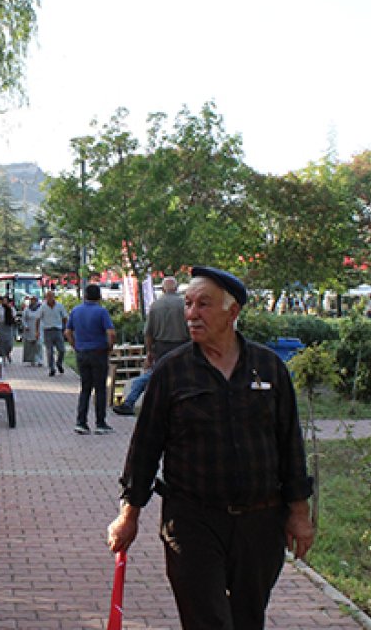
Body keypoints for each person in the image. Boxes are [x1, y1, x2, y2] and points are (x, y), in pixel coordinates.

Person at [106, 266, 315, 630]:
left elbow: (289, 444)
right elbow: (145, 448)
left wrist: (299, 513)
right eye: (188, 304)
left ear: (232, 312)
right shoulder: (172, 372)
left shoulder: (268, 368)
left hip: (260, 522)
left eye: (203, 305)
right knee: (207, 621)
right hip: (192, 521)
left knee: (248, 620)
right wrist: (130, 513)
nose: (191, 314)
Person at [115, 277, 190, 416]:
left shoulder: (156, 306)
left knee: (154, 375)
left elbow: (148, 333)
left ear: (163, 289)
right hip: (183, 345)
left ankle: (129, 402)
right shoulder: (185, 305)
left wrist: (149, 352)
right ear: (176, 288)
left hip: (161, 346)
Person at [65, 284, 116, 434]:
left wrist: (76, 345)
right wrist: (109, 347)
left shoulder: (76, 311)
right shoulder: (101, 312)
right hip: (99, 352)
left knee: (85, 388)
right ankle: (100, 423)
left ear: (85, 295)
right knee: (100, 388)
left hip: (82, 352)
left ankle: (81, 422)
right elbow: (111, 333)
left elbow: (68, 332)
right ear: (99, 296)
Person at [38, 290, 69, 377]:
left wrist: (66, 328)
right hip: (47, 330)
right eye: (48, 297)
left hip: (58, 330)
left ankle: (59, 363)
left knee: (62, 350)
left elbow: (65, 317)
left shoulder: (59, 306)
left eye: (51, 296)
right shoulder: (43, 307)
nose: (50, 298)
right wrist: (37, 331)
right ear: (46, 298)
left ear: (54, 297)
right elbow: (38, 318)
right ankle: (52, 368)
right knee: (49, 351)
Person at [20, 296, 43, 366]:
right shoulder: (27, 310)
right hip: (29, 329)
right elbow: (23, 319)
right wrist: (25, 326)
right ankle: (32, 359)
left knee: (38, 345)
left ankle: (39, 360)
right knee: (30, 345)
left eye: (34, 300)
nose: (33, 302)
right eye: (31, 300)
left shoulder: (40, 309)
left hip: (38, 329)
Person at [0, 296, 17, 363]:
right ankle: (2, 355)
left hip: (9, 326)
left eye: (5, 300)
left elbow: (14, 316)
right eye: (3, 300)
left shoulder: (11, 309)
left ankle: (7, 353)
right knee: (2, 342)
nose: (4, 302)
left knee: (9, 343)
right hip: (1, 326)